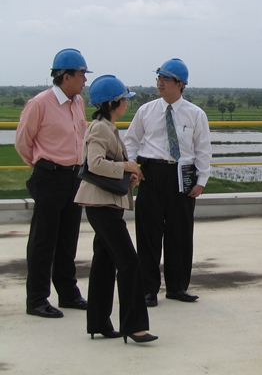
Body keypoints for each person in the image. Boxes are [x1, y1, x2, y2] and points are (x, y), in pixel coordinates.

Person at [74, 75, 158, 344]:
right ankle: (134, 326)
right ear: (112, 103)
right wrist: (127, 166)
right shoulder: (100, 129)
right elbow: (95, 163)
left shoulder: (106, 127)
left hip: (106, 202)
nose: (126, 104)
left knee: (104, 262)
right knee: (129, 262)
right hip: (102, 206)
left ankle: (99, 322)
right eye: (123, 100)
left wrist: (126, 177)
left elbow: (106, 166)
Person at [124, 58, 211, 306]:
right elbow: (131, 141)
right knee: (148, 234)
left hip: (182, 176)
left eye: (165, 79)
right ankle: (148, 289)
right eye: (158, 78)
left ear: (180, 84)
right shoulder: (146, 111)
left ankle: (177, 287)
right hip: (151, 174)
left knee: (180, 234)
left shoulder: (196, 114)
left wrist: (201, 181)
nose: (160, 83)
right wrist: (132, 165)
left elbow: (203, 150)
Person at [15, 48, 91, 318]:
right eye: (81, 74)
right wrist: (41, 165)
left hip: (74, 176)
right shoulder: (40, 103)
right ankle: (37, 299)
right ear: (66, 76)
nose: (85, 80)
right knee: (43, 241)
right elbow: (23, 142)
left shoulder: (78, 102)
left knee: (68, 240)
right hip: (49, 176)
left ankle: (68, 293)